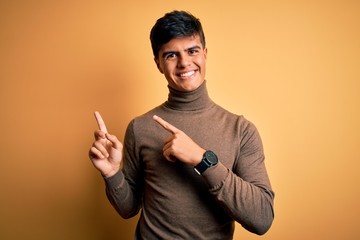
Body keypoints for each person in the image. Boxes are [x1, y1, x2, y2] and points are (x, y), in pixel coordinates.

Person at [89, 10, 274, 239]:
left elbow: (262, 218)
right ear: (158, 63)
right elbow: (129, 209)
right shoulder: (140, 128)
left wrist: (202, 160)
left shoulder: (241, 130)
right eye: (171, 55)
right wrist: (112, 173)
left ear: (205, 54)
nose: (184, 62)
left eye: (192, 51)